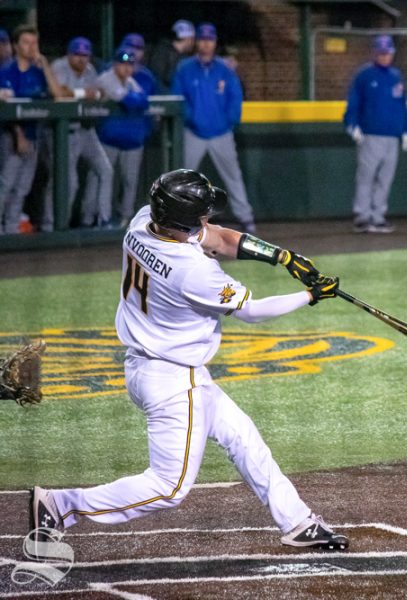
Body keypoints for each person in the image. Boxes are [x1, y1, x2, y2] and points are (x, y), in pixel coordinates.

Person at [30, 168, 349, 552]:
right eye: (201, 215)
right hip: (174, 383)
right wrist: (310, 296)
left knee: (244, 439)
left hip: (153, 367)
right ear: (183, 222)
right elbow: (252, 311)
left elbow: (215, 238)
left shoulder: (143, 222)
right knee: (169, 488)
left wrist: (281, 256)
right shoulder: (192, 272)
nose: (207, 220)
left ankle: (297, 522)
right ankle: (61, 506)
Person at [171, 23, 256, 232]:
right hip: (193, 132)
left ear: (215, 43)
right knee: (185, 179)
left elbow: (235, 97)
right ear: (197, 42)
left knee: (233, 176)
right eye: (202, 39)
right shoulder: (185, 68)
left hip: (221, 133)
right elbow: (178, 98)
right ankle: (180, 218)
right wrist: (191, 119)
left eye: (210, 40)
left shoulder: (225, 69)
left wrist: (228, 121)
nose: (206, 44)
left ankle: (245, 218)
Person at [343, 35, 407, 234]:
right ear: (375, 53)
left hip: (392, 136)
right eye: (382, 53)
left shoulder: (396, 75)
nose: (385, 56)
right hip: (370, 134)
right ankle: (362, 217)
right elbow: (354, 102)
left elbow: (402, 106)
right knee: (366, 177)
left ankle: (378, 217)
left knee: (385, 179)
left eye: (388, 53)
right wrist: (352, 125)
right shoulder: (364, 75)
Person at [0, 25, 64, 235]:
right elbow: (7, 108)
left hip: (34, 135)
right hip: (11, 135)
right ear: (16, 46)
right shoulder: (6, 70)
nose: (31, 47)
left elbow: (58, 96)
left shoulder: (38, 72)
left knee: (22, 188)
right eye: (26, 42)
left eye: (34, 42)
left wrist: (45, 64)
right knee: (5, 185)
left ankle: (10, 230)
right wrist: (18, 136)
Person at [47, 36, 114, 230]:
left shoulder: (90, 70)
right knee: (67, 182)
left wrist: (95, 93)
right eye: (77, 54)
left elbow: (100, 92)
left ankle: (102, 220)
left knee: (105, 170)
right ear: (69, 55)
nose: (81, 59)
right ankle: (54, 226)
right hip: (61, 133)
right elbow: (60, 93)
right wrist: (84, 94)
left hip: (85, 131)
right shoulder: (59, 67)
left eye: (85, 55)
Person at [95, 47, 150, 226]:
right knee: (101, 178)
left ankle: (125, 218)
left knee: (129, 181)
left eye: (130, 64)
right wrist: (135, 99)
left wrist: (135, 98)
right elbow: (129, 100)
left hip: (130, 140)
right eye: (122, 64)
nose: (126, 68)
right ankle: (97, 219)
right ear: (115, 64)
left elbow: (144, 99)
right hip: (108, 139)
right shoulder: (106, 79)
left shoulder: (131, 81)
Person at [148, 19, 194, 94]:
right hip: (164, 100)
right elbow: (156, 79)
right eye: (192, 38)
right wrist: (171, 97)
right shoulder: (161, 52)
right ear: (188, 39)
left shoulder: (186, 59)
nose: (193, 42)